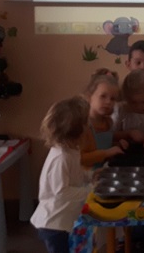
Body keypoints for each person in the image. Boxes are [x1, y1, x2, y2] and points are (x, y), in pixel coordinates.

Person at [31, 96, 92, 253]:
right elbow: (62, 192)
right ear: (75, 131)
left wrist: (90, 176)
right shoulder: (61, 157)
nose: (88, 127)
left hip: (63, 220)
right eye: (86, 124)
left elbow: (75, 174)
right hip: (53, 223)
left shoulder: (71, 151)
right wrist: (90, 190)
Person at [79, 69, 127, 169]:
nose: (108, 102)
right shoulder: (83, 125)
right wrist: (107, 153)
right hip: (85, 175)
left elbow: (102, 145)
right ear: (89, 96)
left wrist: (116, 145)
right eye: (103, 96)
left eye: (112, 99)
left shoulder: (108, 122)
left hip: (102, 172)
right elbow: (80, 158)